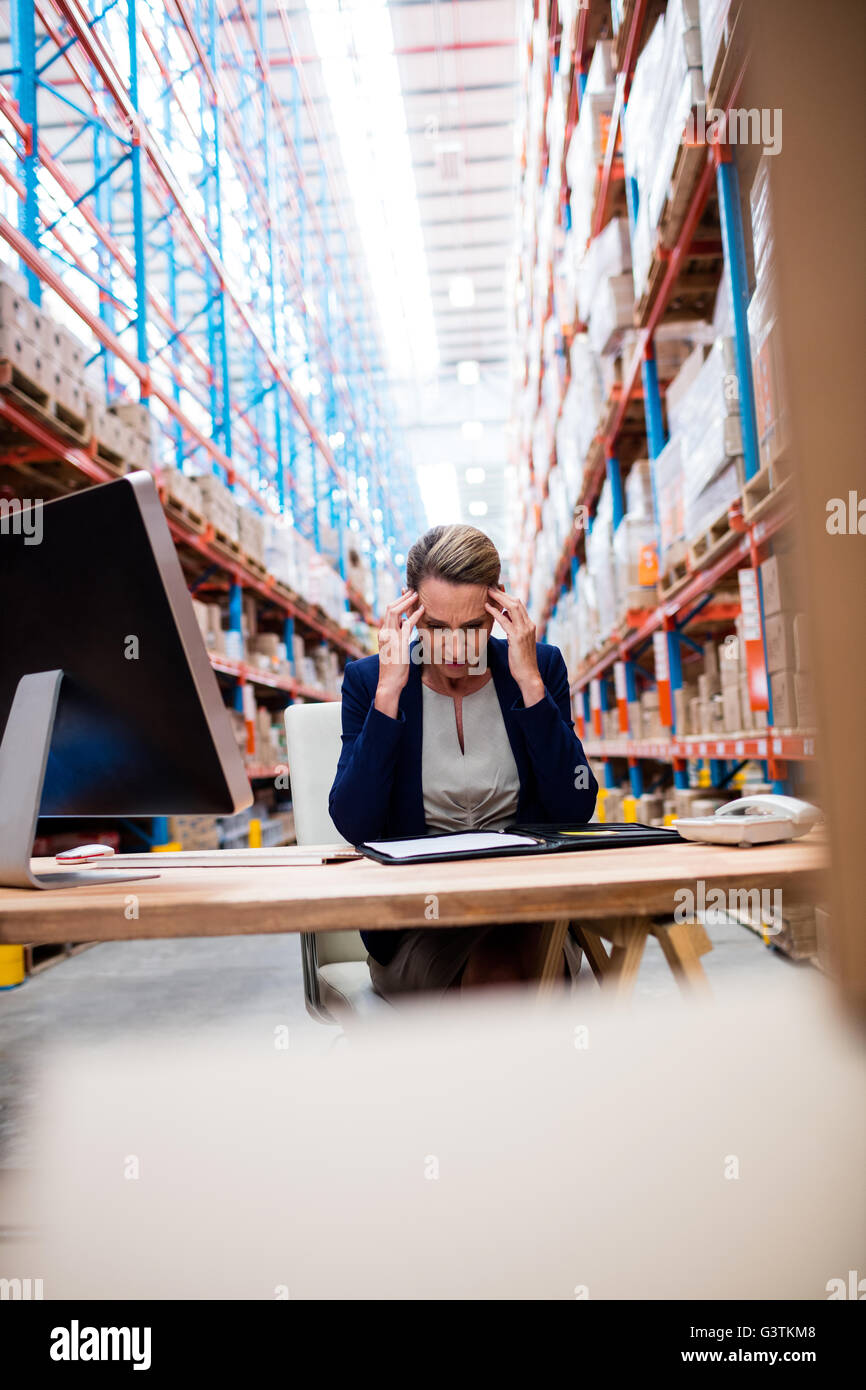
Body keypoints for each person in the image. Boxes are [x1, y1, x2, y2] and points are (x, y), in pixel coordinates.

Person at [328, 523, 598, 1002]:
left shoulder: (538, 667)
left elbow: (575, 805)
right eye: (435, 628)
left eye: (473, 627)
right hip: (421, 922)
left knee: (509, 959)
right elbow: (355, 822)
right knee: (501, 976)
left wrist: (532, 687)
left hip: (525, 908)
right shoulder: (370, 682)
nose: (455, 648)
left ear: (498, 612)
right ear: (410, 613)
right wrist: (390, 690)